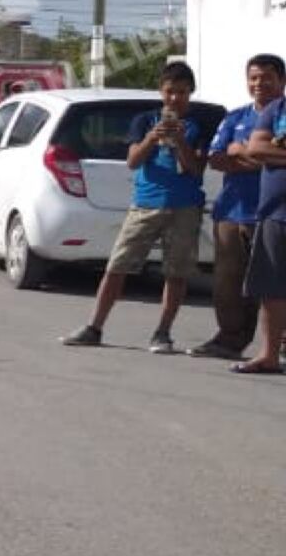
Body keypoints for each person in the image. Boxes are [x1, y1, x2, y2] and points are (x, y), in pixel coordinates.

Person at [62, 61, 207, 353]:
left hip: (184, 206)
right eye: (170, 91)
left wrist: (179, 141)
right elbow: (132, 161)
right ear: (161, 91)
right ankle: (94, 327)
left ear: (190, 92)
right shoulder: (144, 120)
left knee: (176, 272)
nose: (175, 98)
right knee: (117, 266)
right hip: (145, 203)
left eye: (181, 92)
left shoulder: (198, 124)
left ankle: (163, 333)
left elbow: (195, 168)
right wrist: (152, 137)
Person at [193, 54, 283, 360]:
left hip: (273, 214)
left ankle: (277, 344)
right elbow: (217, 158)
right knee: (227, 283)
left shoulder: (282, 115)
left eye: (267, 77)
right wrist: (260, 157)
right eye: (253, 77)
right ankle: (230, 340)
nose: (259, 83)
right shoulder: (235, 117)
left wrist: (242, 153)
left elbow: (253, 155)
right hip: (232, 212)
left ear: (281, 81)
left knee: (275, 283)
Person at [233, 67, 286, 376]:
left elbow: (266, 150)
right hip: (275, 213)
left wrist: (277, 149)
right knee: (272, 289)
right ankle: (269, 355)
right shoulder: (276, 109)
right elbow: (256, 147)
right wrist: (270, 148)